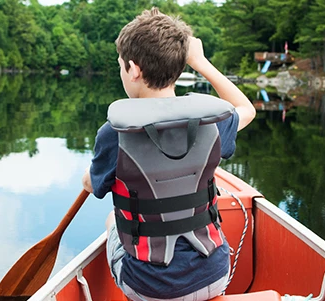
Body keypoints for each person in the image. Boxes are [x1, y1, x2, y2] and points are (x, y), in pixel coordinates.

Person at [81, 7, 256, 301]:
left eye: (120, 65)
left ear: (133, 69)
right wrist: (201, 62)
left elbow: (91, 184)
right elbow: (247, 109)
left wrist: (92, 176)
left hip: (150, 289)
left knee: (113, 220)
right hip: (216, 275)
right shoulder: (211, 123)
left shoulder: (114, 134)